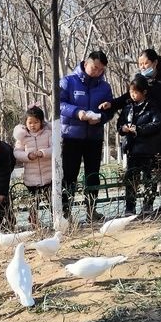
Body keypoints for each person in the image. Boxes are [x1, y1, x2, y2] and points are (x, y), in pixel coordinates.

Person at [101, 48, 161, 214]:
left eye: (146, 63)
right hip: (150, 135)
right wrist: (112, 104)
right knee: (156, 169)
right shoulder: (142, 80)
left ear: (155, 62)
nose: (142, 67)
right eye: (140, 64)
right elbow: (128, 96)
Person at [60, 50, 113, 222]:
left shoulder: (105, 87)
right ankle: (65, 212)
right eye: (95, 67)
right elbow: (59, 104)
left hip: (94, 136)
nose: (97, 72)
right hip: (71, 137)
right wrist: (78, 113)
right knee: (69, 175)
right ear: (86, 63)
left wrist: (102, 116)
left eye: (101, 70)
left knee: (93, 174)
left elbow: (110, 111)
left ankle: (92, 210)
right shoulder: (68, 81)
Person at [116, 75, 161, 216]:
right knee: (131, 179)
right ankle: (130, 207)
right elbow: (119, 124)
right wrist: (123, 128)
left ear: (144, 92)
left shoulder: (152, 106)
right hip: (132, 149)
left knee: (149, 179)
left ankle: (148, 205)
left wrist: (139, 129)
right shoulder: (128, 107)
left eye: (136, 92)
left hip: (148, 149)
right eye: (131, 92)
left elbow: (157, 124)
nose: (133, 95)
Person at [13, 105, 53, 226]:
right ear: (25, 123)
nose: (33, 125)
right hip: (31, 177)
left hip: (49, 175)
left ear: (41, 122)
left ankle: (56, 218)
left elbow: (55, 148)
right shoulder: (22, 137)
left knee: (51, 200)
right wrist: (28, 156)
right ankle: (33, 221)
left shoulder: (48, 133)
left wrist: (43, 153)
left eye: (36, 122)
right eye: (30, 122)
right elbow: (17, 152)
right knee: (33, 201)